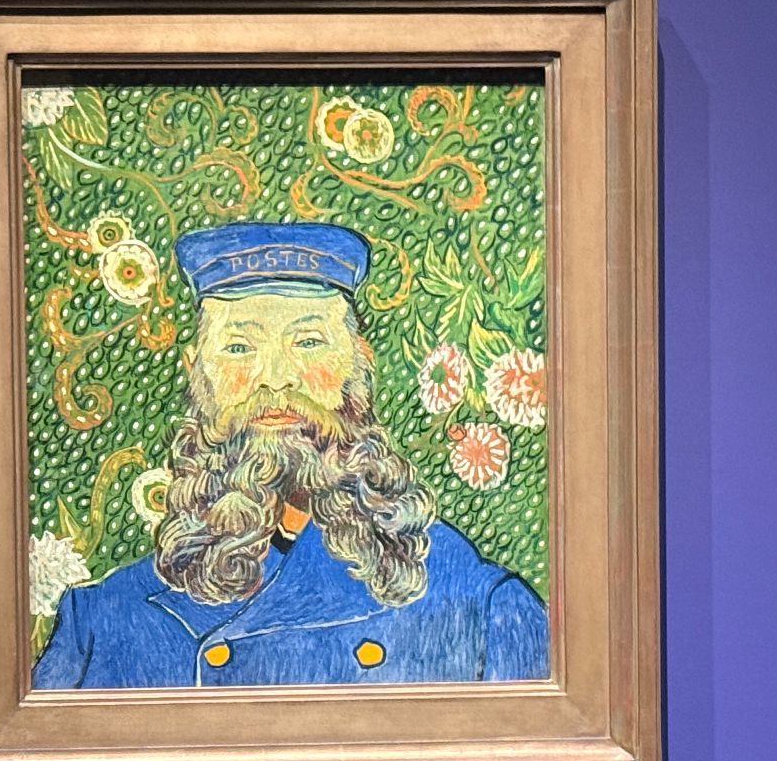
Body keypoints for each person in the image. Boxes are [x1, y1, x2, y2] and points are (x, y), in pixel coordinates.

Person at [34, 221, 548, 688]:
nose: (276, 378)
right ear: (196, 371)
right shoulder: (100, 620)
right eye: (239, 348)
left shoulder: (481, 607)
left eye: (308, 342)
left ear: (360, 363)